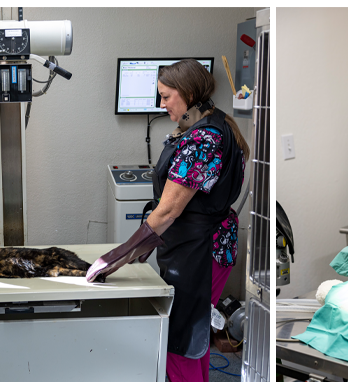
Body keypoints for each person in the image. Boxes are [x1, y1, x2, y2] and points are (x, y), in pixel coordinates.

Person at [86, 59, 250, 382]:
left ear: (188, 93)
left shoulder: (202, 141)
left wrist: (117, 257)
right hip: (207, 247)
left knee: (181, 342)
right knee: (195, 337)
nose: (161, 104)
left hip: (201, 253)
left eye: (166, 96)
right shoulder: (215, 124)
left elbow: (169, 210)